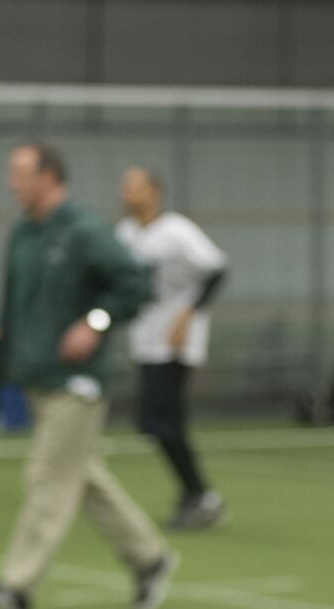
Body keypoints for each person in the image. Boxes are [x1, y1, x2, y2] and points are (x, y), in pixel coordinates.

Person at [0, 140, 176, 609]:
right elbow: (23, 301)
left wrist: (95, 322)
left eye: (20, 174)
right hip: (38, 379)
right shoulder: (24, 233)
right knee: (81, 478)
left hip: (77, 384)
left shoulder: (84, 231)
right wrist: (3, 335)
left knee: (46, 477)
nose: (11, 184)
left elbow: (133, 284)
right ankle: (150, 558)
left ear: (49, 177)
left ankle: (16, 588)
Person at [115, 165, 229, 531]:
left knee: (161, 419)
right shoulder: (126, 233)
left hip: (176, 340)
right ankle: (196, 493)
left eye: (133, 186)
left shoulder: (177, 230)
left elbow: (217, 270)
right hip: (145, 337)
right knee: (156, 422)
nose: (125, 193)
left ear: (153, 191)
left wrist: (188, 315)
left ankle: (200, 495)